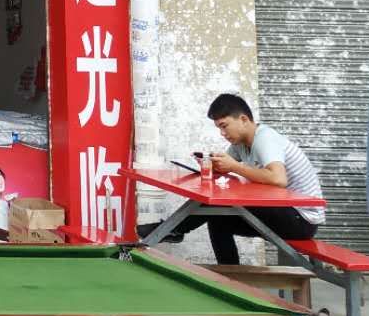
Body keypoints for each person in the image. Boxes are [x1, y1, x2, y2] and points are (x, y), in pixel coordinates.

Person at [138, 93, 324, 265]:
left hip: (302, 219)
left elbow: (278, 179)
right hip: (285, 211)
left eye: (224, 126)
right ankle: (230, 278)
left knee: (218, 204)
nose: (222, 133)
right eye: (219, 128)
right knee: (218, 219)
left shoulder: (265, 139)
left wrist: (234, 167)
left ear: (243, 119)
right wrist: (210, 163)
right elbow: (225, 167)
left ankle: (172, 229)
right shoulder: (240, 144)